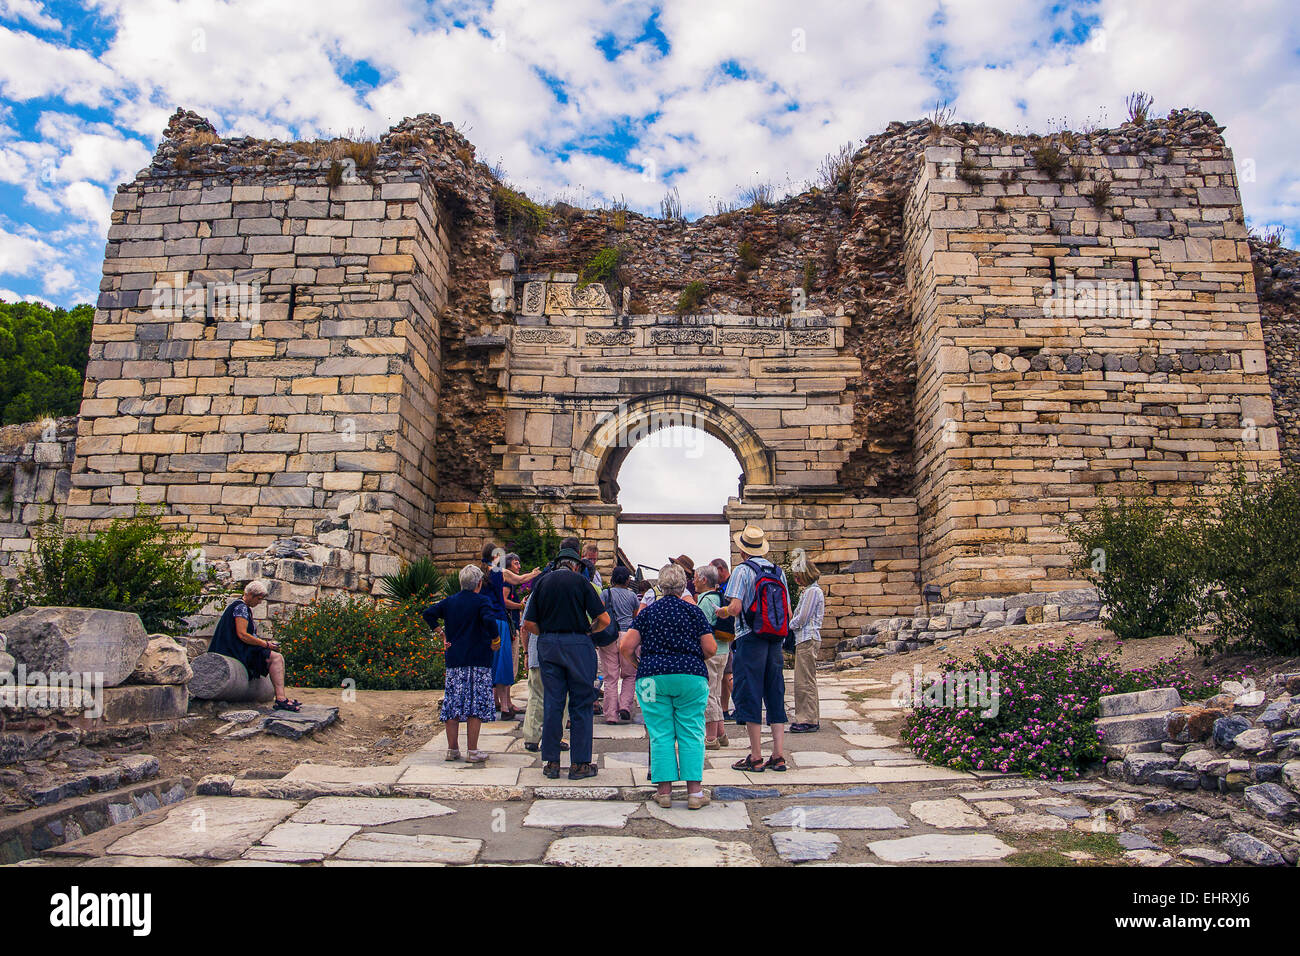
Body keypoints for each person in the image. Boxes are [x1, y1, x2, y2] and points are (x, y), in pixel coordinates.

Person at [620, 563, 716, 810]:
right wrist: (693, 661)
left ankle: (664, 792)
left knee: (660, 732)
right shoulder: (693, 612)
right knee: (692, 730)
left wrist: (639, 664)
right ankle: (695, 793)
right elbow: (711, 648)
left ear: (659, 586)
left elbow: (626, 647)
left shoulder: (648, 613)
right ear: (684, 585)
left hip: (652, 678)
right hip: (690, 678)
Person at [522, 545, 610, 780]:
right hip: (578, 645)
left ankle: (551, 762)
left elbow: (529, 624)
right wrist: (588, 632)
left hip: (549, 645)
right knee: (581, 702)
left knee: (553, 701)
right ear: (575, 565)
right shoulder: (581, 583)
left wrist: (550, 633)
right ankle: (579, 764)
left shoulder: (541, 583)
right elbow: (604, 619)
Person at [716, 524, 790, 772]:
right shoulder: (778, 572)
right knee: (774, 691)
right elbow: (788, 610)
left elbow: (736, 608)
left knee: (750, 692)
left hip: (750, 636)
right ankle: (778, 755)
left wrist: (722, 611)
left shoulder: (742, 571)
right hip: (775, 638)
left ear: (742, 551)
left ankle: (756, 756)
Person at [423, 564, 499, 762]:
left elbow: (428, 613)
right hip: (478, 659)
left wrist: (441, 633)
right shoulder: (482, 601)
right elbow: (490, 620)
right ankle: (472, 751)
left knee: (453, 702)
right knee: (474, 705)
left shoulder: (450, 602)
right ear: (479, 583)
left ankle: (452, 749)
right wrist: (496, 639)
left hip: (455, 659)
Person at [208, 581, 299, 712]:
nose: (259, 602)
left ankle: (282, 697)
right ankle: (280, 699)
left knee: (277, 657)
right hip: (235, 649)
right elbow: (242, 634)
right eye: (259, 599)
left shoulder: (241, 607)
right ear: (250, 595)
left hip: (237, 647)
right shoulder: (241, 608)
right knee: (276, 658)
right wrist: (266, 644)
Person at [480, 542, 540, 720]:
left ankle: (490, 704)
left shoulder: (480, 574)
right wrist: (535, 574)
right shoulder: (500, 572)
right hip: (499, 621)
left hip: (483, 620)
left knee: (488, 663)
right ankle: (505, 707)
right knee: (503, 663)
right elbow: (520, 579)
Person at [694, 563, 730, 749]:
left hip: (711, 652)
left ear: (704, 580)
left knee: (708, 693)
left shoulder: (705, 601)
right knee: (716, 693)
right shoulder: (719, 597)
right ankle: (721, 733)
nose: (693, 581)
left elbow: (702, 630)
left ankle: (710, 737)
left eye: (695, 577)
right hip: (723, 649)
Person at [599, 566, 640, 724]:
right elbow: (635, 617)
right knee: (630, 675)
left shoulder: (605, 593)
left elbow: (600, 613)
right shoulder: (632, 597)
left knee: (610, 677)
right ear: (628, 580)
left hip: (609, 636)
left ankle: (610, 714)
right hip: (628, 636)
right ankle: (625, 706)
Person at [788, 558, 825, 733]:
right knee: (805, 679)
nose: (797, 581)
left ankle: (807, 719)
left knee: (804, 681)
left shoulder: (812, 592)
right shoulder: (811, 591)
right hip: (806, 638)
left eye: (797, 577)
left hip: (806, 637)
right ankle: (809, 716)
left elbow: (803, 618)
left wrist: (789, 625)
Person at [711, 558, 736, 719]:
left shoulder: (729, 586)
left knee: (728, 674)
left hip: (729, 633)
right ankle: (725, 710)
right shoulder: (727, 585)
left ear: (721, 569)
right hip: (729, 632)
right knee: (727, 673)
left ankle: (741, 705)